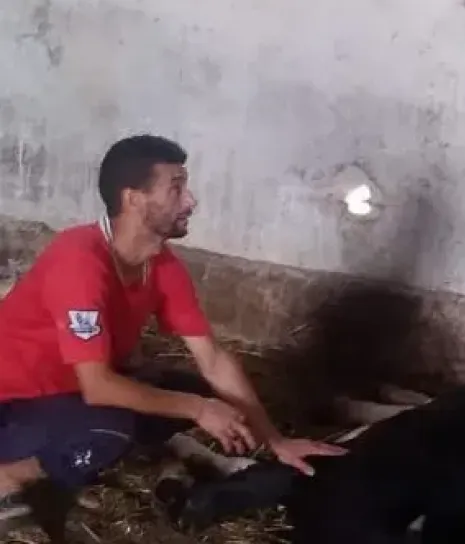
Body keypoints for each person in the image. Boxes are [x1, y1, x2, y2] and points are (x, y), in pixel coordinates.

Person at [0, 134, 346, 531]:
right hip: (13, 403)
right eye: (176, 188)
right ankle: (10, 477)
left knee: (195, 391)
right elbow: (98, 386)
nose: (191, 201)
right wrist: (198, 410)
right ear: (134, 199)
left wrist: (275, 440)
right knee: (113, 425)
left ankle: (89, 452)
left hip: (68, 393)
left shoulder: (161, 265)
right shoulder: (79, 260)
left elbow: (212, 359)